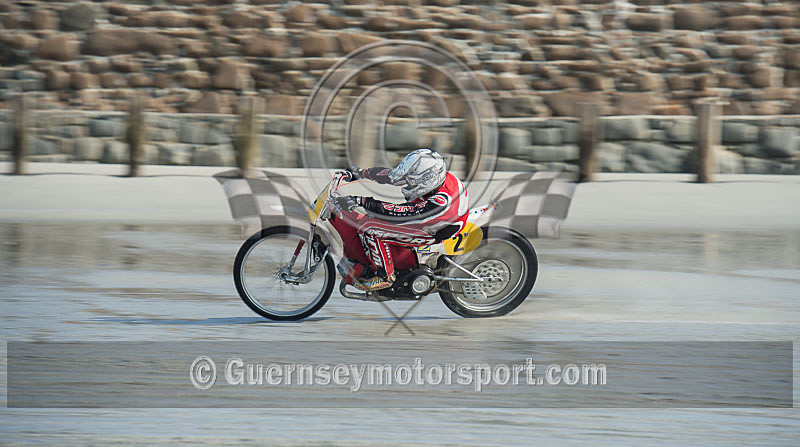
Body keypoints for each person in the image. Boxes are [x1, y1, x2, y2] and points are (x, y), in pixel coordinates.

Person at [330, 148, 469, 292]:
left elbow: (400, 212)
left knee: (370, 227)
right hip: (431, 216)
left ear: (428, 180)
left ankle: (385, 277)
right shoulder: (435, 179)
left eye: (411, 182)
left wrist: (363, 201)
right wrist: (360, 173)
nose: (407, 184)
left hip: (435, 230)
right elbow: (393, 176)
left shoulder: (440, 201)